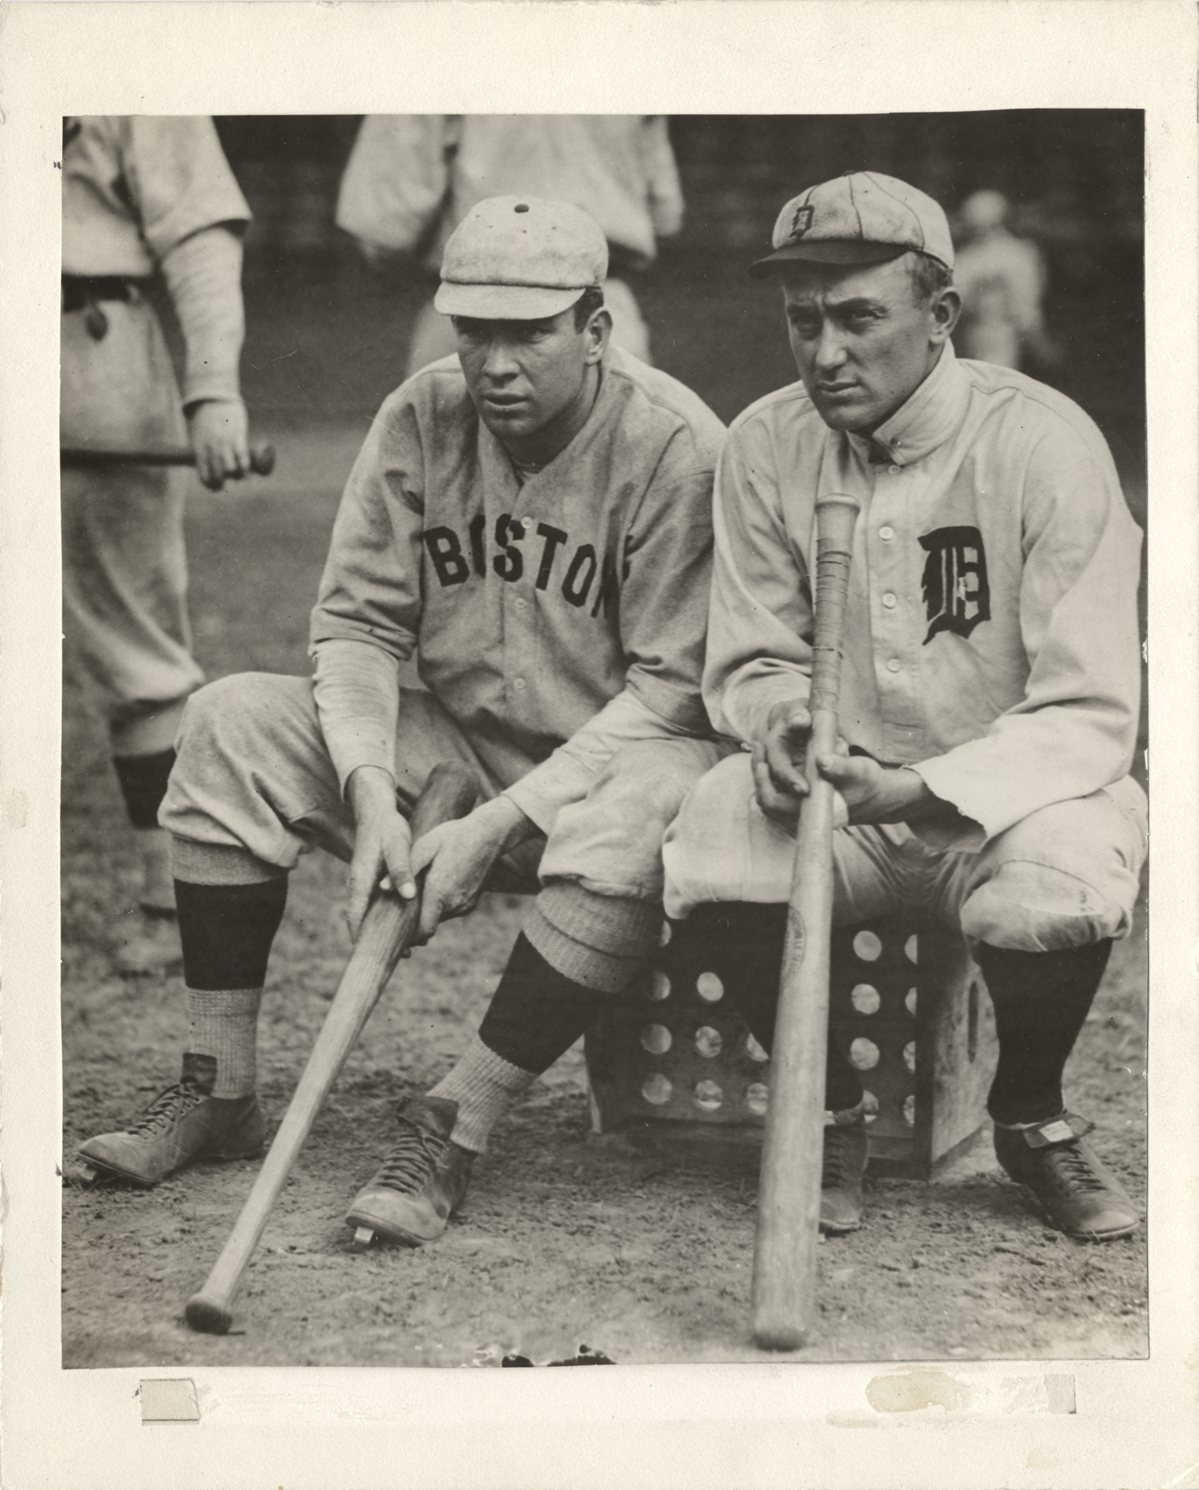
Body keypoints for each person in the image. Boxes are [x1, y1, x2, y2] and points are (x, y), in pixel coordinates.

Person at [77, 197, 727, 1249]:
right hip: (455, 753)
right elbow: (355, 625)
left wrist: (497, 822)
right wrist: (372, 790)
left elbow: (670, 695)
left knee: (651, 792)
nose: (495, 363)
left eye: (529, 332)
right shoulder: (420, 415)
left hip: (611, 772)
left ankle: (454, 1119)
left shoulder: (674, 445)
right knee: (229, 719)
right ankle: (218, 1086)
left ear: (595, 328)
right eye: (475, 331)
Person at [661, 171, 1146, 1242]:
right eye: (802, 319)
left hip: (1007, 798)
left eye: (855, 317)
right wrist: (782, 718)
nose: (823, 350)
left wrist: (925, 784)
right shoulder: (765, 440)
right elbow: (745, 656)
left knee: (1061, 879)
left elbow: (1094, 706)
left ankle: (1028, 1118)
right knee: (707, 832)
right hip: (845, 799)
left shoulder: (1041, 439)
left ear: (939, 314)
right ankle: (827, 1111)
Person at [61, 115, 252, 976]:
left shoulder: (119, 40)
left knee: (130, 637)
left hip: (83, 338)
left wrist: (212, 388)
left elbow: (199, 226)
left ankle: (168, 899)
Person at [335, 115, 684, 373]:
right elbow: (666, 215)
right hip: (600, 309)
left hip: (476, 311)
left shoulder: (441, 39)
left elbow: (384, 226)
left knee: (454, 467)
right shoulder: (622, 39)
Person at [953, 188, 1052, 371]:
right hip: (982, 335)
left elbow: (1023, 309)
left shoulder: (1015, 253)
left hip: (1003, 335)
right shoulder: (1016, 254)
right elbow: (1025, 311)